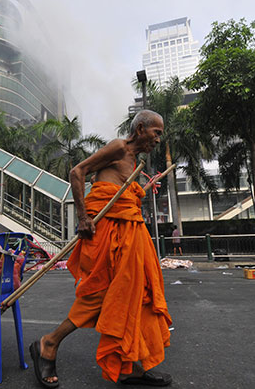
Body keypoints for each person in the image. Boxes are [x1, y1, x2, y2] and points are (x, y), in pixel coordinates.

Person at [29, 110, 172, 388]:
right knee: (101, 295)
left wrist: (139, 191)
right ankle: (49, 343)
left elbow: (122, 196)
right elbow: (77, 171)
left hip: (130, 236)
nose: (158, 139)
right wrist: (82, 217)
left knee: (136, 295)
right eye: (156, 133)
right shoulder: (119, 148)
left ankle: (128, 366)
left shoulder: (135, 162)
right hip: (105, 233)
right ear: (141, 128)